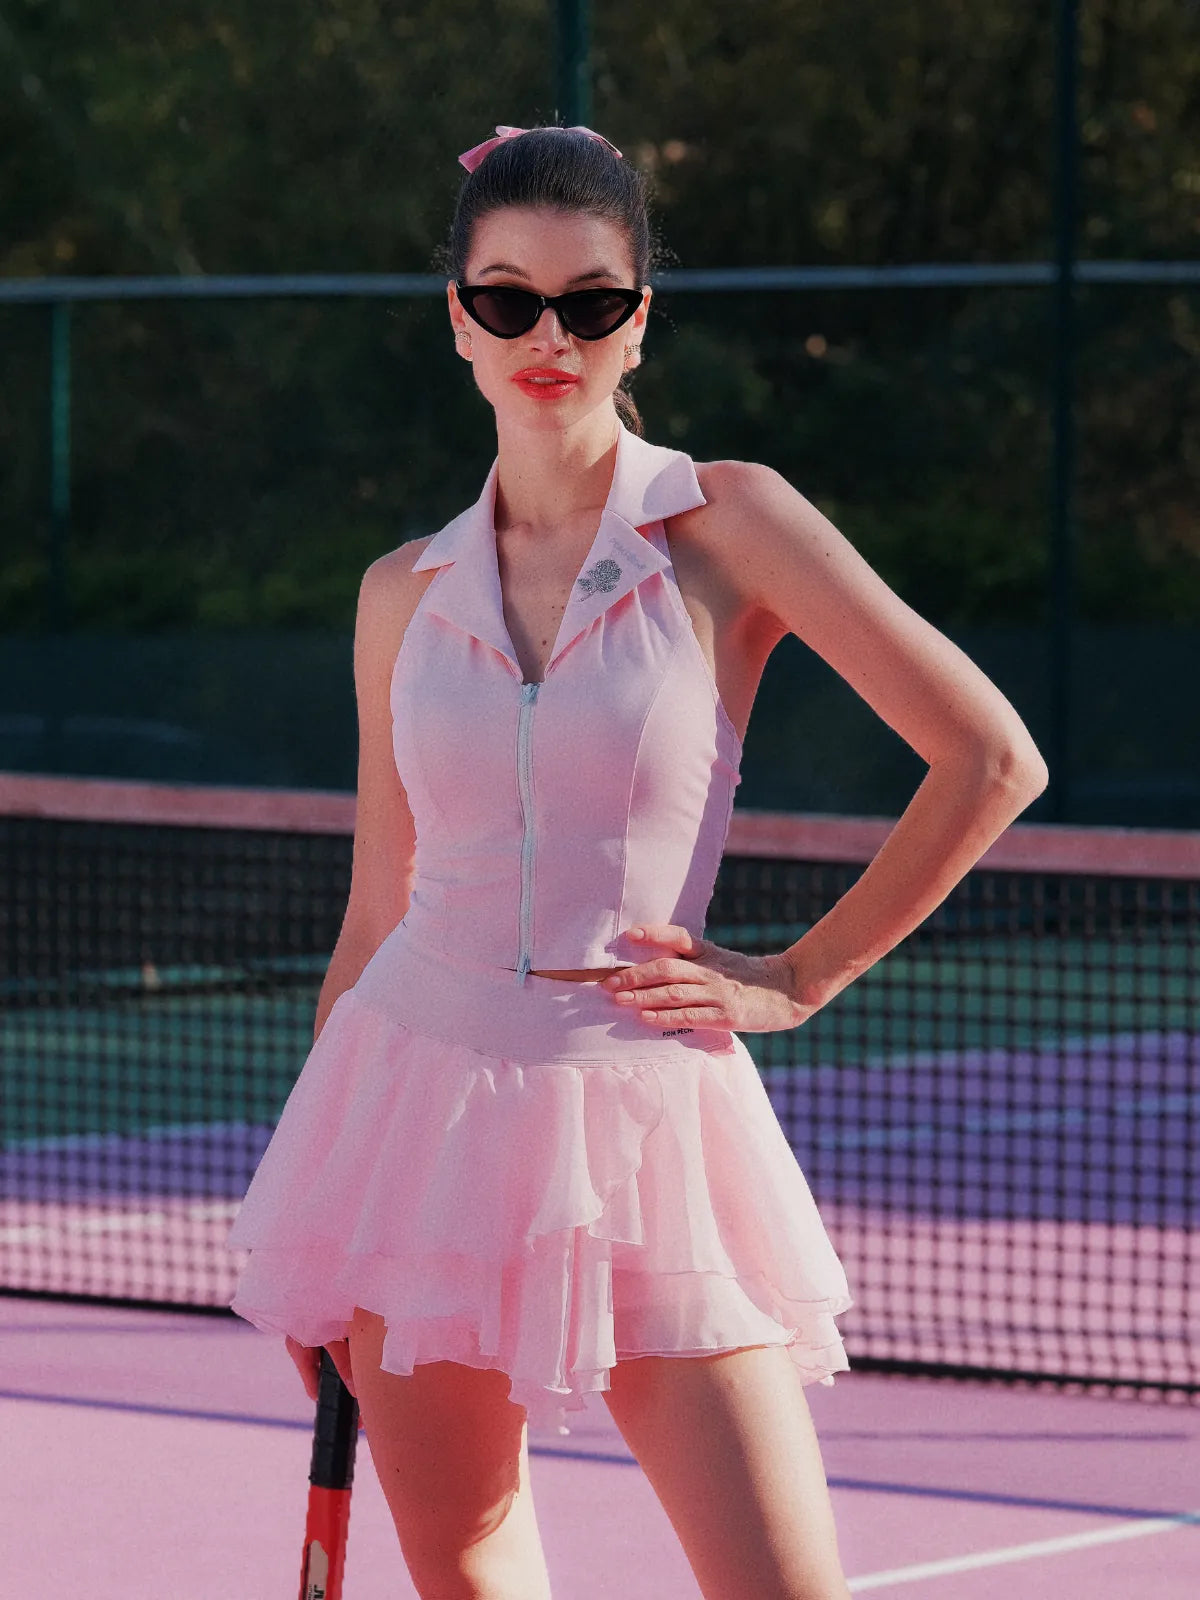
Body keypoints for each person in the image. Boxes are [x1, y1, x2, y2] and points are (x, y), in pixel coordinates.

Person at [226, 123, 1048, 1600]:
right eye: (508, 298)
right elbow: (376, 906)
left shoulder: (732, 525)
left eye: (592, 302)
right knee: (473, 1574)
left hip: (653, 1114)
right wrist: (324, 1208)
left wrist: (801, 978)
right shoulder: (397, 593)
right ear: (458, 320)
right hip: (408, 1117)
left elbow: (992, 760)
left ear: (639, 321)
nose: (552, 334)